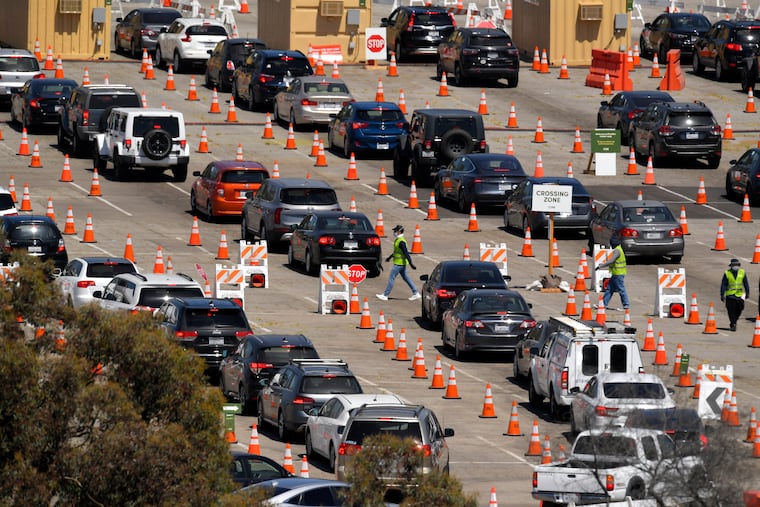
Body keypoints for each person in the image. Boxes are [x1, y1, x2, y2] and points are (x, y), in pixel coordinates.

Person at [376, 225, 420, 301]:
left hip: (399, 264)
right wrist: (390, 257)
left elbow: (406, 253)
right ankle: (415, 293)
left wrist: (411, 264)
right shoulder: (398, 240)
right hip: (400, 263)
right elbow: (397, 251)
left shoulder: (401, 242)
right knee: (406, 278)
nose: (394, 232)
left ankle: (385, 295)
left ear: (399, 231)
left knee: (391, 278)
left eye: (395, 231)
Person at [597, 236, 630, 311]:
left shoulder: (617, 251)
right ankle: (603, 304)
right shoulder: (619, 249)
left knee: (621, 289)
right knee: (609, 289)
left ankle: (626, 305)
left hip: (618, 274)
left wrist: (601, 266)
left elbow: (611, 261)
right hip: (616, 273)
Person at [721, 258, 749, 332]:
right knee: (731, 311)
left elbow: (745, 283)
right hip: (730, 295)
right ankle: (733, 324)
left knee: (740, 309)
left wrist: (747, 292)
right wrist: (722, 294)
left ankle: (734, 320)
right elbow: (723, 284)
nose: (735, 266)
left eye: (736, 265)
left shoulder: (742, 272)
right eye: (733, 265)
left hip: (739, 295)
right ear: (731, 266)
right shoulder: (727, 273)